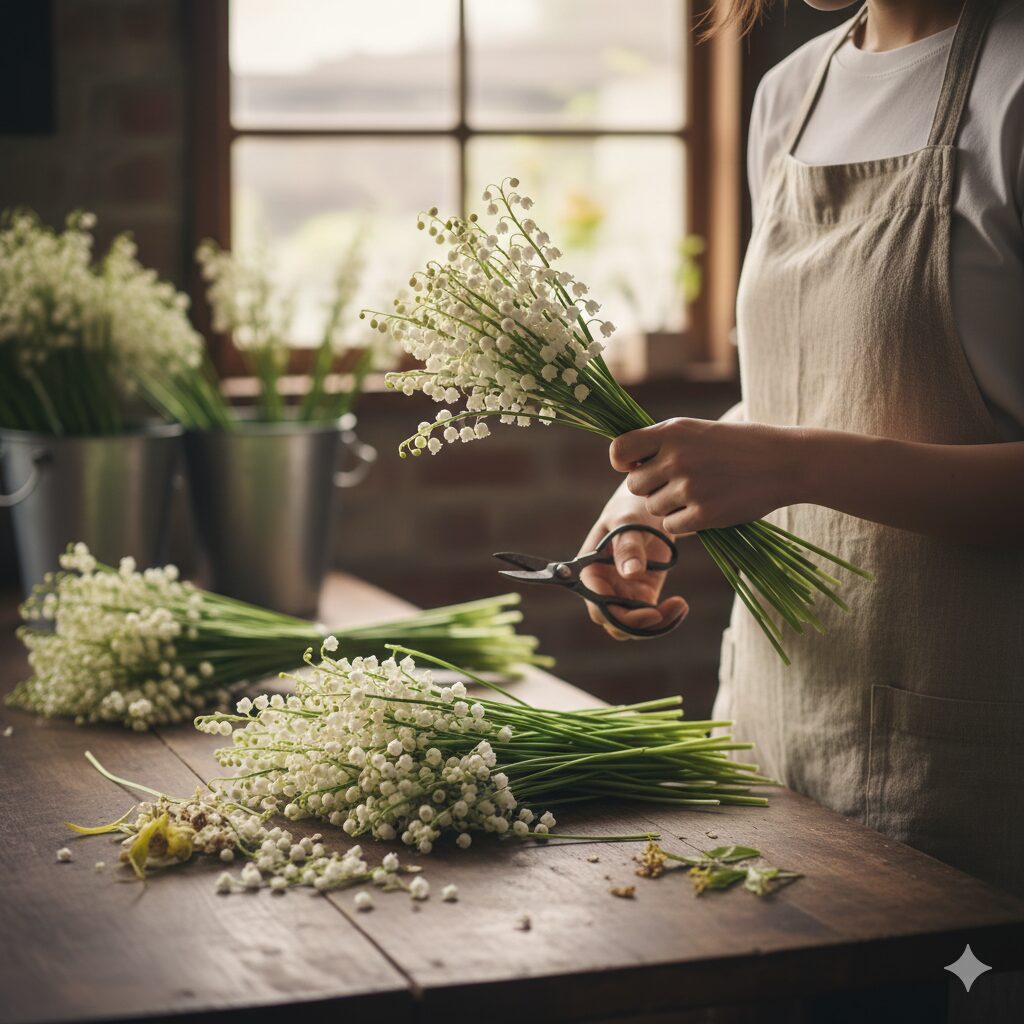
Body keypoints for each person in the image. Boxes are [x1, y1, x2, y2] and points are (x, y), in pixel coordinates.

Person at [578, 0, 1024, 899]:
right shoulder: (790, 93)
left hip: (968, 758)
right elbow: (804, 384)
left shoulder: (1012, 86)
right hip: (774, 730)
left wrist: (798, 466)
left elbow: (812, 438)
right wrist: (650, 497)